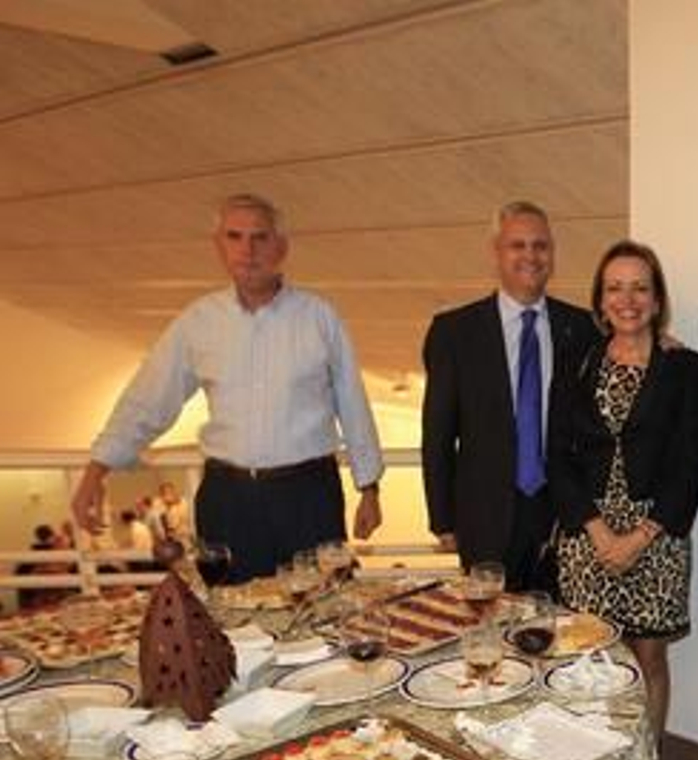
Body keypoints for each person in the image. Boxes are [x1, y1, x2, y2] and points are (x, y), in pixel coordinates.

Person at [70, 193, 384, 582]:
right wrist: (95, 472)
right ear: (219, 247)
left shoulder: (319, 317)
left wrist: (369, 487)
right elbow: (148, 399)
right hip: (228, 499)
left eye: (260, 238)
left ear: (282, 247)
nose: (247, 250)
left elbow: (352, 403)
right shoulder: (198, 322)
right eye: (234, 237)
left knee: (323, 611)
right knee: (232, 616)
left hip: (309, 495)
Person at [547, 241, 698, 741]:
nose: (627, 299)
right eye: (615, 288)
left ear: (657, 301)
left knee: (647, 656)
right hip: (586, 534)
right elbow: (558, 455)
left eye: (640, 288)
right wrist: (598, 532)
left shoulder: (684, 369)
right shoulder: (575, 361)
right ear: (600, 300)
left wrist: (637, 537)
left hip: (655, 538)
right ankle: (597, 757)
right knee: (589, 655)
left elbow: (689, 461)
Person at [421, 201, 602, 591]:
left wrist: (660, 340)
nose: (530, 256)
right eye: (517, 246)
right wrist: (442, 520)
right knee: (490, 636)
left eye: (540, 246)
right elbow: (437, 434)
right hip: (482, 518)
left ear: (552, 253)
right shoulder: (453, 333)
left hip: (561, 516)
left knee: (558, 633)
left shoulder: (583, 328)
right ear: (496, 253)